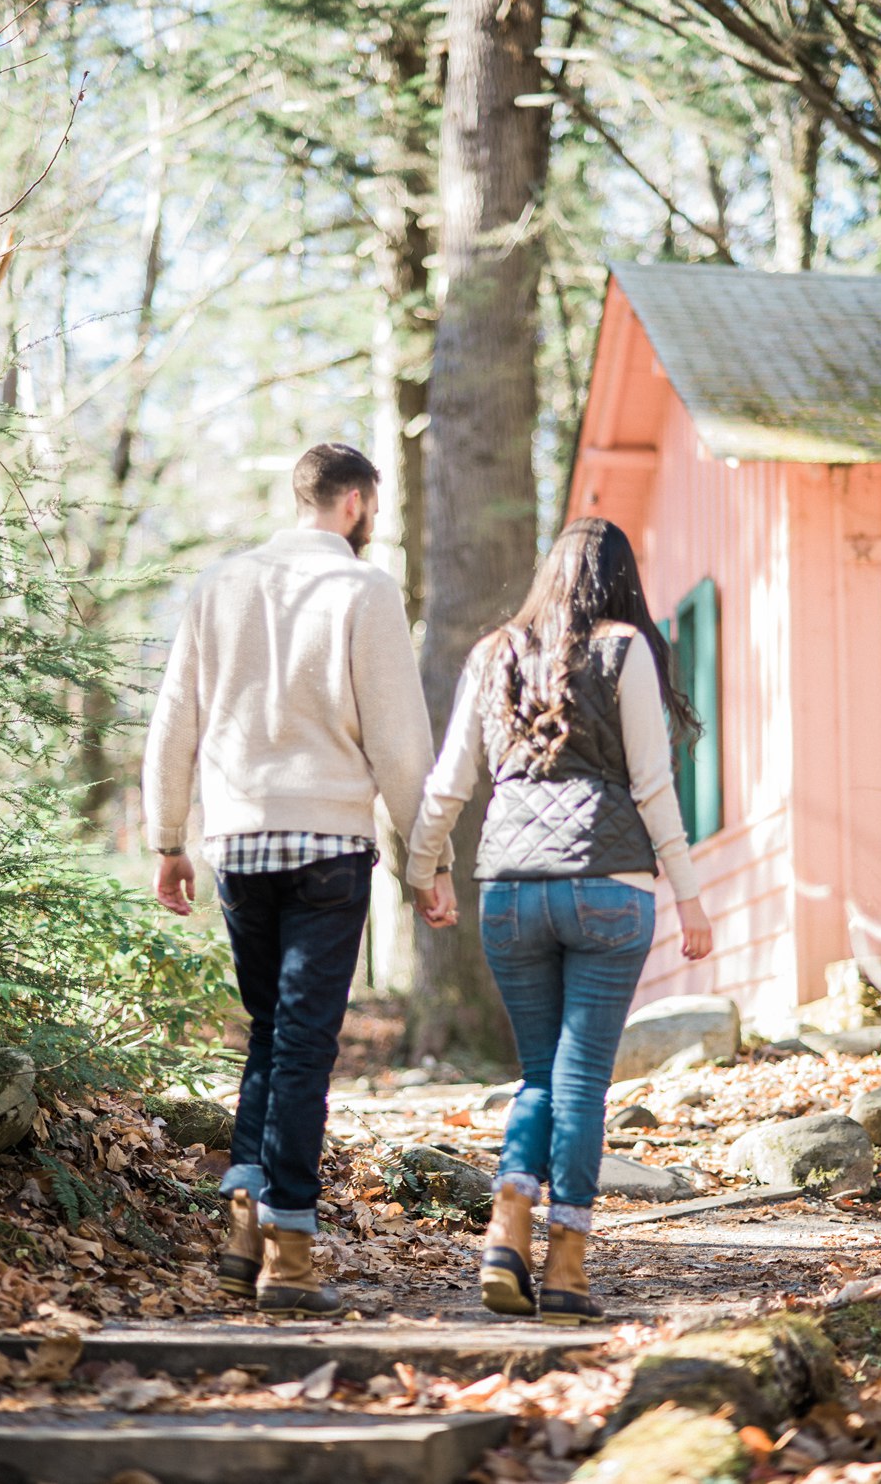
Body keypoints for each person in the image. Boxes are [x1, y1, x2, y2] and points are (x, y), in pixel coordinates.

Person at [143, 442, 452, 1318]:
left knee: (270, 1032)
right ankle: (292, 1248)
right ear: (354, 502)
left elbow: (174, 723)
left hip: (238, 841)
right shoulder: (363, 589)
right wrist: (428, 861)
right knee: (307, 1042)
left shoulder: (219, 586)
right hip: (326, 842)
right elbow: (399, 742)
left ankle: (245, 1224)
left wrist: (170, 838)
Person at [406, 517, 713, 1325]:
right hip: (608, 890)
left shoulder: (491, 652)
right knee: (581, 1083)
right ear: (621, 580)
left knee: (540, 1077)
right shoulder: (623, 649)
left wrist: (422, 868)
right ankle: (567, 1267)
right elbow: (651, 786)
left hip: (509, 889)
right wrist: (687, 893)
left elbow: (447, 783)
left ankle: (506, 1232)